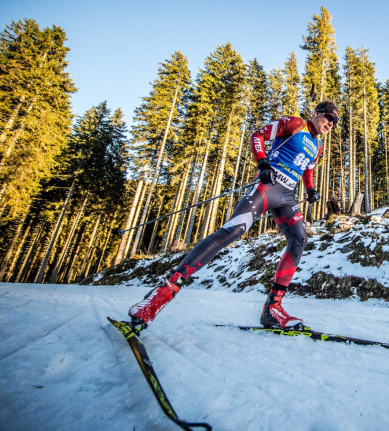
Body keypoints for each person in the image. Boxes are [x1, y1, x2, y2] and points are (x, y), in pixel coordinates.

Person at [127, 99, 339, 332]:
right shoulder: (295, 124)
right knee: (234, 230)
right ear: (317, 113)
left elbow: (308, 169)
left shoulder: (318, 145)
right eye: (330, 118)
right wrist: (263, 163)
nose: (332, 124)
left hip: (287, 195)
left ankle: (273, 308)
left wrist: (310, 189)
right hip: (268, 186)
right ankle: (160, 294)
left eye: (335, 122)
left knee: (299, 239)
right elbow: (257, 136)